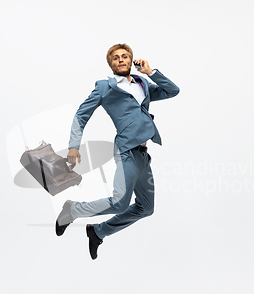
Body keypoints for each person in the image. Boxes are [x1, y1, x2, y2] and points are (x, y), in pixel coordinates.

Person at [55, 43, 179, 260]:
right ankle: (72, 210)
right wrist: (74, 145)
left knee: (146, 208)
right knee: (120, 202)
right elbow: (81, 115)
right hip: (125, 150)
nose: (120, 59)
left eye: (124, 56)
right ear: (111, 64)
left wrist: (150, 72)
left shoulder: (143, 84)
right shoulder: (105, 87)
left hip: (143, 155)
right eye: (115, 58)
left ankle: (98, 231)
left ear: (131, 60)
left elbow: (172, 90)